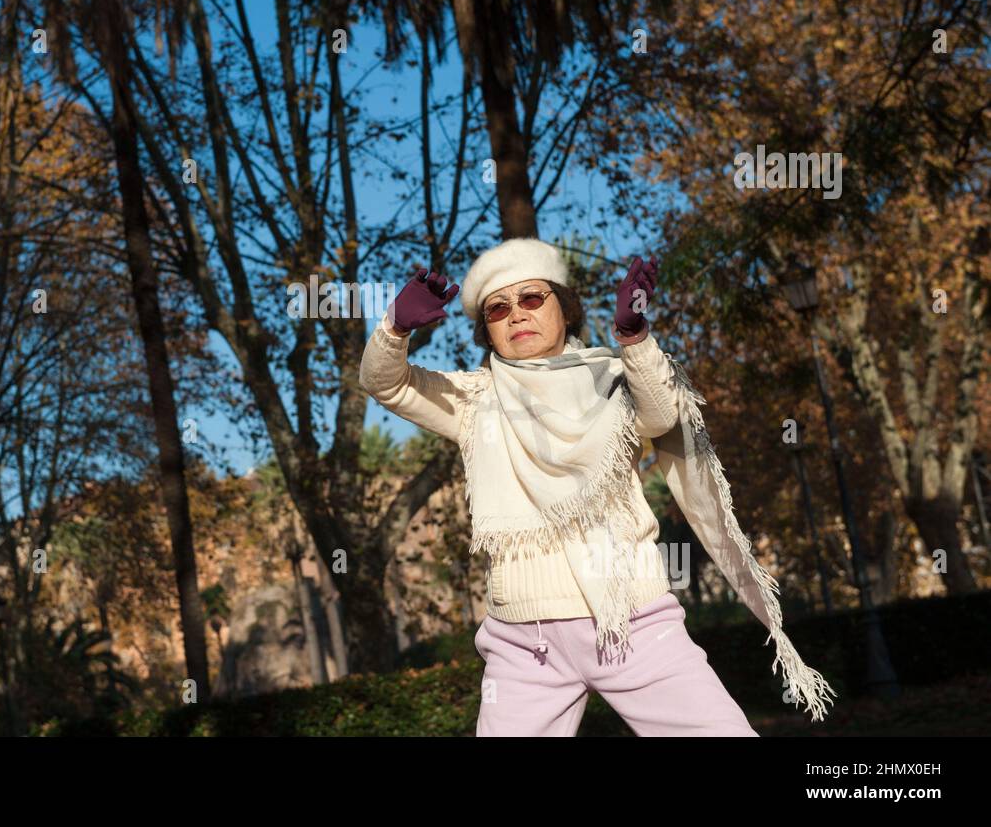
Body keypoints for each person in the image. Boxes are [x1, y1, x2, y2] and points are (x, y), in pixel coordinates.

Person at [358, 237, 835, 736]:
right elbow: (386, 383)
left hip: (633, 623)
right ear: (488, 331)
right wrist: (393, 328)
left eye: (531, 298)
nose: (516, 314)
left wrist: (634, 338)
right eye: (497, 308)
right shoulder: (474, 401)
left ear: (564, 309)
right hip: (523, 645)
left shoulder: (613, 378)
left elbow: (661, 413)